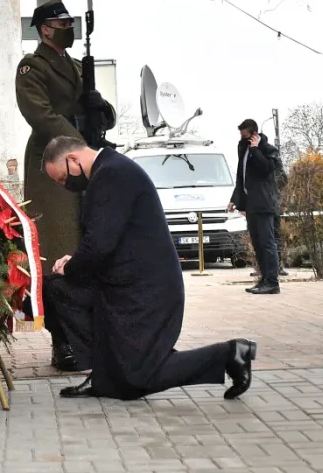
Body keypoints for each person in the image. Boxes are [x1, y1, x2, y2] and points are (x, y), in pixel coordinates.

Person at [42, 136, 258, 400]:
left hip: (146, 294)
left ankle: (230, 354)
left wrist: (71, 267)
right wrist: (73, 262)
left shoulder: (111, 175)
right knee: (56, 289)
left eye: (63, 178)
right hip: (123, 288)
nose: (66, 186)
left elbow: (99, 245)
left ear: (73, 159)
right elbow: (107, 239)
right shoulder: (110, 170)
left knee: (137, 378)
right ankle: (104, 375)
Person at [15, 0, 114, 371]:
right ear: (44, 28)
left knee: (89, 247)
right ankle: (63, 342)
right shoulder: (32, 67)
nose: (68, 28)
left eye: (70, 22)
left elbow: (104, 113)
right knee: (57, 251)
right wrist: (78, 143)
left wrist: (99, 110)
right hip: (52, 164)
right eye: (62, 23)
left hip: (86, 163)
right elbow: (39, 114)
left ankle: (92, 335)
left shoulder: (76, 66)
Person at [229, 119, 284, 294]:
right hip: (251, 204)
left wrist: (255, 149)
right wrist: (235, 200)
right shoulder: (243, 149)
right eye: (241, 135)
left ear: (254, 134)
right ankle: (263, 280)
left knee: (268, 243)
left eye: (245, 135)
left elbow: (267, 169)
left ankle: (272, 282)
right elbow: (241, 177)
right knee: (258, 244)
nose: (243, 138)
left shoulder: (267, 150)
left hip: (265, 203)